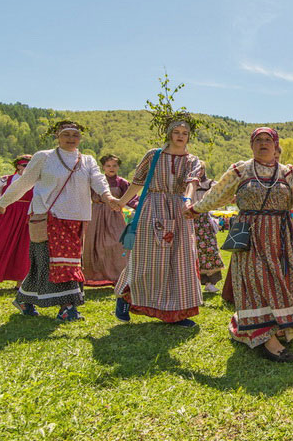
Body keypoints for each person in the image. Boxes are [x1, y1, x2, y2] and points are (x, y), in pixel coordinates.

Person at [187, 128, 293, 361]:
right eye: (258, 140)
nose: (263, 144)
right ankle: (266, 339)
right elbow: (216, 193)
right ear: (251, 146)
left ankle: (276, 327)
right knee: (254, 281)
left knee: (280, 280)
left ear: (276, 145)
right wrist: (195, 209)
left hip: (281, 238)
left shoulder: (289, 172)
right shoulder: (240, 170)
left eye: (268, 140)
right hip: (250, 236)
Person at [0, 121, 119, 321]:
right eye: (66, 134)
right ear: (58, 136)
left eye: (74, 135)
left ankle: (25, 299)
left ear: (80, 138)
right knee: (58, 264)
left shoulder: (87, 160)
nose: (70, 138)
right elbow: (24, 183)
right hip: (48, 217)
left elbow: (98, 180)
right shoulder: (44, 157)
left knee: (52, 264)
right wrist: (3, 203)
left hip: (77, 218)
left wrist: (108, 197)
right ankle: (68, 308)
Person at [113, 118, 204, 327]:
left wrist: (187, 200)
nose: (181, 136)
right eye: (177, 132)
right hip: (153, 208)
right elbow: (137, 182)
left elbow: (192, 182)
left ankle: (175, 312)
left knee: (179, 261)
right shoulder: (154, 155)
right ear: (169, 134)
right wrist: (121, 202)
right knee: (147, 259)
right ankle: (125, 297)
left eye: (185, 133)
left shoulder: (192, 160)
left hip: (180, 210)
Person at [82, 154, 135, 287]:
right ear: (103, 167)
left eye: (114, 165)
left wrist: (141, 206)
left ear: (118, 167)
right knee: (96, 244)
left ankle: (118, 276)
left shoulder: (121, 182)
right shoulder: (95, 181)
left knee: (117, 243)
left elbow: (132, 197)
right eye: (108, 165)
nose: (111, 168)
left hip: (115, 214)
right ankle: (96, 275)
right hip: (96, 214)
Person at [0, 155, 33, 288]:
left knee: (23, 248)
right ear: (18, 166)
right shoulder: (6, 179)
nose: (28, 168)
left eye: (30, 166)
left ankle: (20, 282)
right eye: (25, 165)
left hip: (26, 216)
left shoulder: (36, 181)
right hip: (6, 214)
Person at [191, 162, 225, 293]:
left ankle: (210, 282)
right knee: (192, 251)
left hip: (204, 221)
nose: (199, 172)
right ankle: (193, 282)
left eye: (201, 169)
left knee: (210, 250)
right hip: (190, 220)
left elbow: (219, 194)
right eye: (196, 169)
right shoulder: (188, 184)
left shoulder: (210, 184)